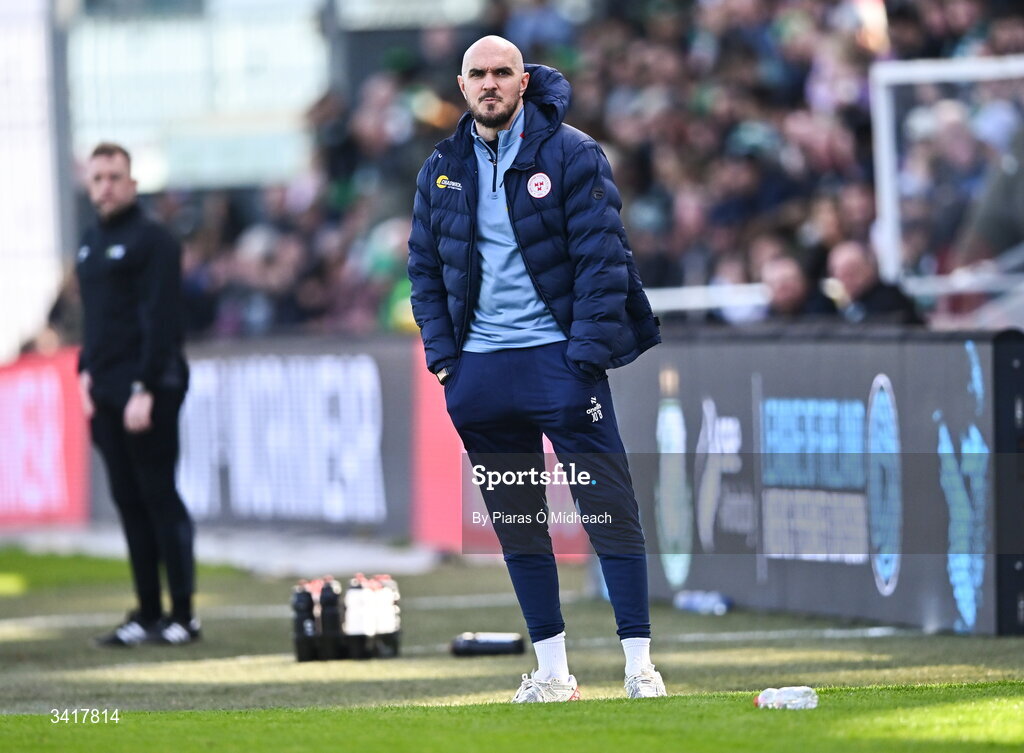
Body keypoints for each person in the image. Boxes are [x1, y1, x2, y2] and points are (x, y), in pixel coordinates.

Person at [407, 36, 664, 701]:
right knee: (519, 526)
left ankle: (640, 665)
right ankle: (553, 674)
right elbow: (424, 271)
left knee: (610, 511)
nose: (489, 83)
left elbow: (604, 263)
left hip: (560, 365)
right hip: (482, 377)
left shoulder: (572, 153)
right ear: (461, 87)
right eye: (477, 74)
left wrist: (582, 357)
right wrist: (444, 362)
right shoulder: (440, 166)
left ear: (524, 82)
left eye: (501, 72)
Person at [76, 143, 199, 647]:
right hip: (102, 391)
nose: (105, 185)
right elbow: (94, 319)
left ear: (131, 183)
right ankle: (147, 612)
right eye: (98, 177)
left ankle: (183, 615)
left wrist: (145, 387)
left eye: (114, 176)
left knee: (158, 496)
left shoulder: (155, 241)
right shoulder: (87, 243)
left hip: (148, 388)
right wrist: (84, 372)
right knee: (128, 501)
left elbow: (161, 318)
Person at [827, 240, 923, 324]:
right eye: (837, 273)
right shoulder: (828, 303)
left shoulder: (890, 300)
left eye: (851, 271)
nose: (844, 279)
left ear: (869, 269)